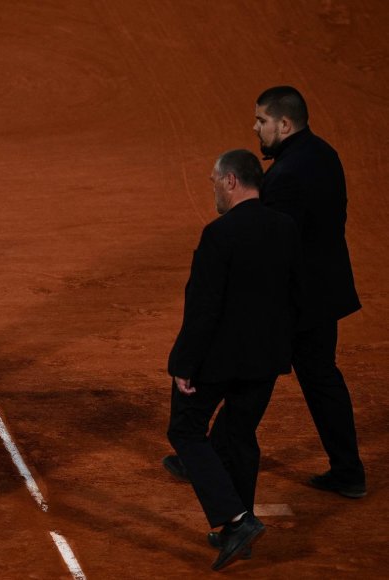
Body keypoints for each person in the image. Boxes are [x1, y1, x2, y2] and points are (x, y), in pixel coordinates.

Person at [164, 87, 366, 499]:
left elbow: (269, 243)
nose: (256, 128)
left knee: (236, 366)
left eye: (261, 121)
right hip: (323, 293)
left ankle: (201, 451)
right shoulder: (324, 154)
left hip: (294, 300)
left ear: (284, 124)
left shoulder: (286, 176)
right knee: (321, 379)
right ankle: (348, 470)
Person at [166, 150, 302, 571]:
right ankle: (236, 535)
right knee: (238, 435)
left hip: (218, 360)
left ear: (230, 181)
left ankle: (238, 520)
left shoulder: (219, 234)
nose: (213, 191)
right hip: (267, 358)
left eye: (213, 182)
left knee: (186, 431)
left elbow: (204, 308)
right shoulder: (287, 228)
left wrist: (184, 363)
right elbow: (295, 296)